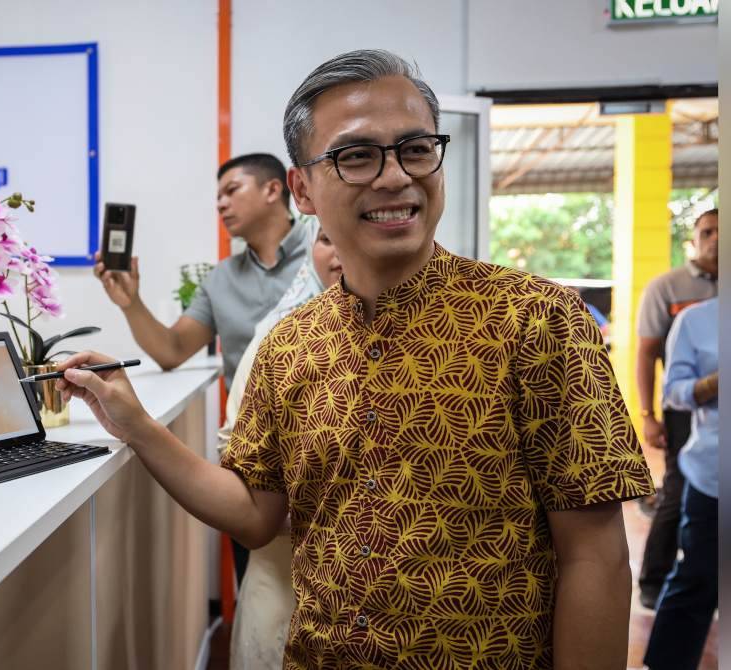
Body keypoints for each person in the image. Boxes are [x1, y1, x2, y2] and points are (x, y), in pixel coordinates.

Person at [59, 49, 654, 668]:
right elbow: (257, 516)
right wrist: (133, 423)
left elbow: (597, 557)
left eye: (417, 148)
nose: (395, 176)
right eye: (357, 155)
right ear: (303, 189)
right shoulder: (288, 345)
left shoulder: (537, 321)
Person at [219, 222, 342, 670]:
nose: (341, 250)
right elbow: (236, 451)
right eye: (328, 238)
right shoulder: (279, 341)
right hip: (286, 586)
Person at [93, 152, 309, 391]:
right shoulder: (220, 279)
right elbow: (172, 351)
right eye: (218, 197)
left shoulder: (329, 255)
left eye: (232, 190)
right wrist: (131, 303)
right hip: (250, 425)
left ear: (272, 190)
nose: (220, 204)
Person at [635, 209, 718, 609]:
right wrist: (648, 416)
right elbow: (646, 354)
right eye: (707, 231)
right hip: (685, 407)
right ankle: (653, 582)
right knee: (678, 490)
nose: (716, 239)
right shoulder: (668, 287)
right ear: (694, 239)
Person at [642, 297, 718, 670]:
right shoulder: (697, 320)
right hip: (714, 479)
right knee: (697, 582)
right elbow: (673, 392)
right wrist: (715, 383)